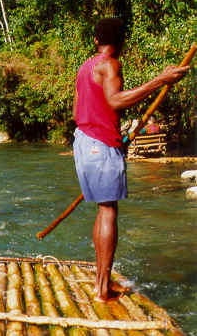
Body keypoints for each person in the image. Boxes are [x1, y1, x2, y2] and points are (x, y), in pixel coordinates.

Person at [72, 18, 189, 302]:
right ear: (121, 41)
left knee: (104, 209)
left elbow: (78, 109)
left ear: (96, 40)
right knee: (109, 212)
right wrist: (160, 80)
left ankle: (102, 283)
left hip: (83, 142)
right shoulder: (110, 65)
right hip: (100, 145)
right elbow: (115, 101)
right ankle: (103, 289)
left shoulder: (85, 67)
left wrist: (112, 135)